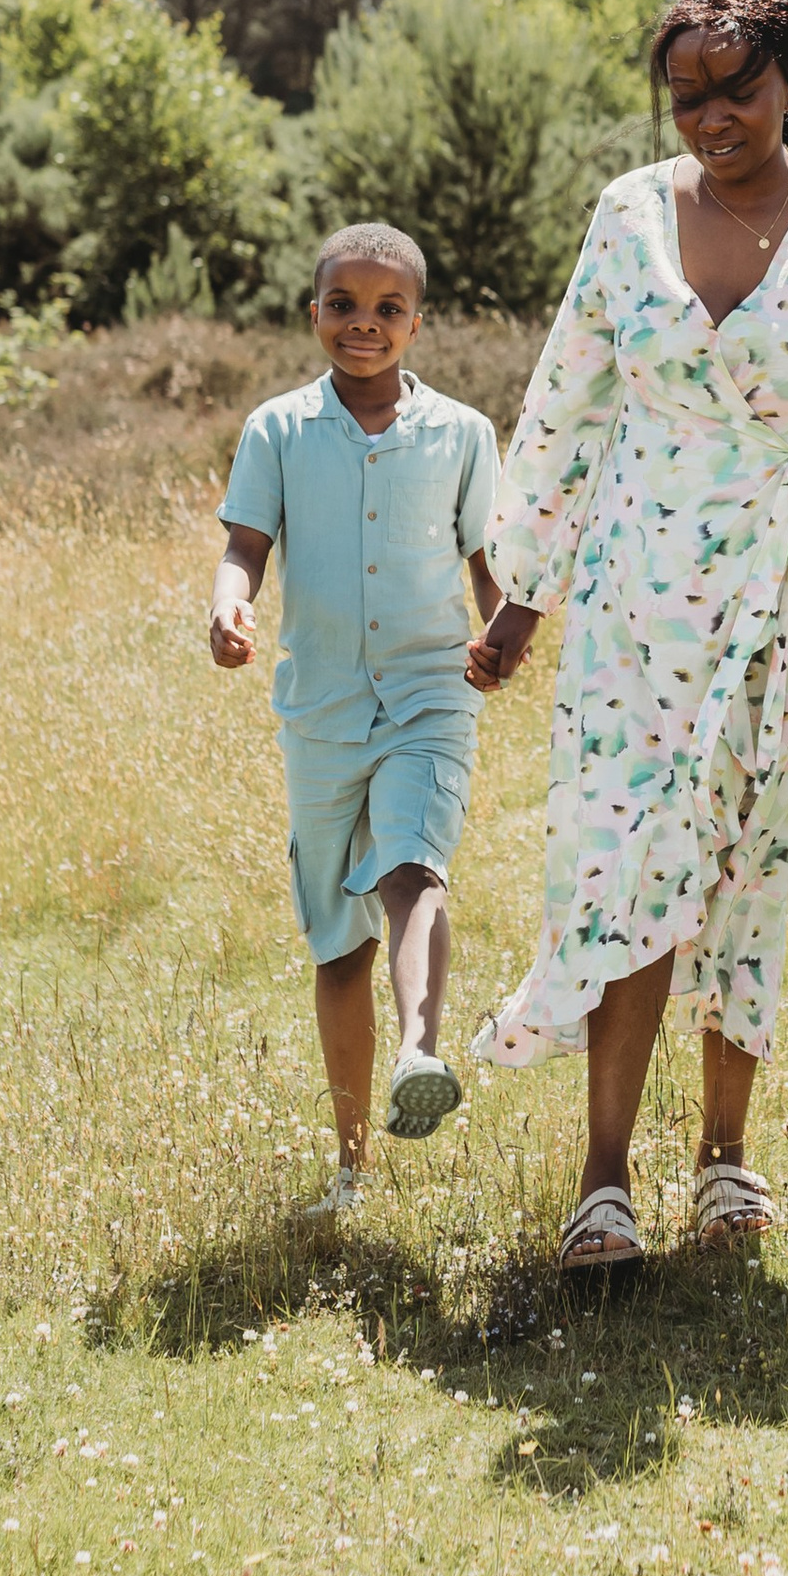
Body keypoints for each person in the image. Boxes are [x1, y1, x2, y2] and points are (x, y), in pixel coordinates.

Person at [468, 0, 788, 1267]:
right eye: (687, 95)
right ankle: (602, 1181)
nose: (710, 118)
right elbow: (566, 405)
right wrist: (521, 596)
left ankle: (725, 1163)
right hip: (640, 602)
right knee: (631, 859)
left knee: (747, 868)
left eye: (736, 89)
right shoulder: (626, 218)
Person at [211, 222, 500, 1220]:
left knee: (412, 864)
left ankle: (421, 1047)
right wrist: (227, 601)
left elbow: (484, 557)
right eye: (343, 305)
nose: (363, 325)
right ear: (314, 313)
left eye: (386, 310)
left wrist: (505, 630)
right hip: (321, 708)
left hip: (430, 690)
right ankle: (347, 1168)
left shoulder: (462, 433)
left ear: (417, 323)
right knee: (338, 948)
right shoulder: (277, 429)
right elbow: (246, 541)